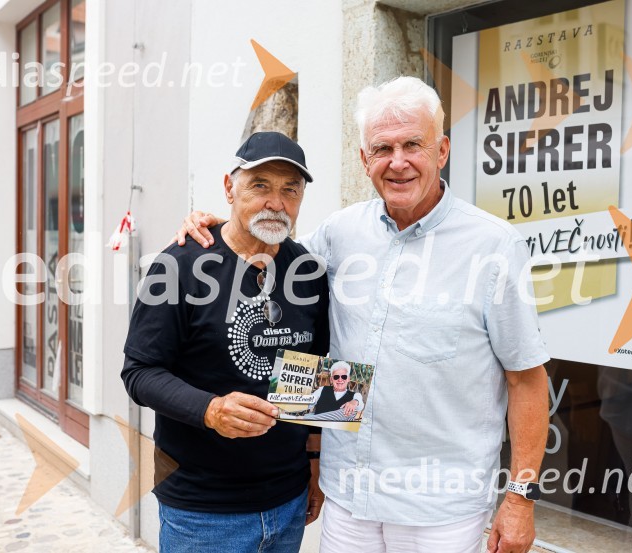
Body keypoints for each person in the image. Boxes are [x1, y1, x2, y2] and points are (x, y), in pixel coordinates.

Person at [175, 77, 550, 553]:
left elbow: (526, 378)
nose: (398, 162)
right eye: (383, 148)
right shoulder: (340, 233)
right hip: (348, 497)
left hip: (440, 509)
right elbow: (267, 266)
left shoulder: (494, 245)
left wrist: (520, 498)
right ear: (364, 160)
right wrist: (214, 226)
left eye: (413, 144)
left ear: (441, 151)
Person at [122, 131, 330, 553]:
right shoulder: (179, 265)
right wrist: (210, 409)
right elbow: (139, 373)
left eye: (290, 189)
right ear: (229, 189)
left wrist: (314, 464)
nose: (276, 202)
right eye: (260, 186)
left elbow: (312, 370)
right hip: (202, 513)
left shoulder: (308, 272)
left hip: (288, 501)